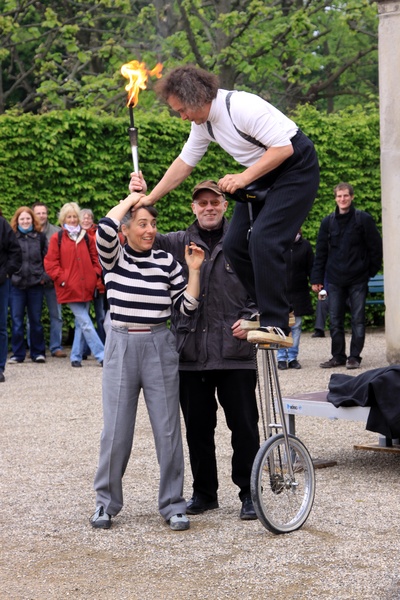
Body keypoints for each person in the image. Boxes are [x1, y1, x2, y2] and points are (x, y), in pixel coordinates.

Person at [128, 65, 320, 349]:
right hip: (262, 171)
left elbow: (284, 149)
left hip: (295, 168)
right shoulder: (202, 124)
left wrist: (243, 177)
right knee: (234, 244)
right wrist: (150, 198)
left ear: (196, 98)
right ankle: (272, 309)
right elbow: (184, 163)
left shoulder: (241, 107)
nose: (182, 117)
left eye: (182, 110)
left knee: (265, 238)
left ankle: (277, 324)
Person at [91, 194, 204, 532]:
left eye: (153, 224)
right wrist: (132, 198)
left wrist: (194, 272)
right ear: (125, 230)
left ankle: (173, 504)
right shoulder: (114, 258)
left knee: (168, 428)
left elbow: (187, 308)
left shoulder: (167, 262)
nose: (150, 229)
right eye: (143, 223)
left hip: (159, 343)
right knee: (116, 431)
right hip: (121, 344)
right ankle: (105, 504)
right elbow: (105, 227)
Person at [152, 179, 260, 521]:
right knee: (197, 429)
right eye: (202, 203)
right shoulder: (174, 244)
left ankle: (249, 493)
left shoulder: (245, 240)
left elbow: (266, 286)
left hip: (236, 352)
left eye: (214, 202)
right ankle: (204, 493)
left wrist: (253, 321)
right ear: (193, 208)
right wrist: (140, 192)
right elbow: (137, 229)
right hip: (190, 354)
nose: (209, 207)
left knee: (244, 427)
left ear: (225, 205)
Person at [311, 182, 383, 369]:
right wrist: (317, 279)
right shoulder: (328, 222)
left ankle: (354, 357)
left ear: (351, 197)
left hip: (358, 279)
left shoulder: (363, 219)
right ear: (335, 198)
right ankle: (338, 356)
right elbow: (321, 253)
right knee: (335, 320)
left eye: (345, 196)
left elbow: (376, 248)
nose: (342, 199)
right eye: (339, 196)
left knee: (358, 320)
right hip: (335, 279)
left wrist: (369, 272)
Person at [44, 202, 104, 368]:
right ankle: (102, 355)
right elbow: (50, 263)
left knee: (80, 323)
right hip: (69, 287)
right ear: (64, 218)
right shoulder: (58, 238)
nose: (72, 219)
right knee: (85, 321)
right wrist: (63, 279)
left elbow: (95, 259)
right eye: (69, 216)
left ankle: (76, 356)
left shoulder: (85, 236)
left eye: (74, 216)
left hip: (86, 286)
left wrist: (94, 275)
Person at [9, 207, 48, 364]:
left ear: (33, 220)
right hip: (16, 285)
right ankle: (18, 354)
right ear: (17, 221)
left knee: (36, 321)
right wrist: (9, 275)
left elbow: (48, 258)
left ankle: (38, 353)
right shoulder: (11, 237)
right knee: (17, 321)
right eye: (22, 219)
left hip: (35, 284)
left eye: (28, 219)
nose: (25, 221)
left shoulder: (40, 237)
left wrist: (44, 277)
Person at [31, 202, 67, 358]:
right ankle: (33, 348)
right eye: (38, 213)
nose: (41, 216)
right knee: (32, 317)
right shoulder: (27, 231)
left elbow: (63, 258)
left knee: (56, 316)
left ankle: (55, 347)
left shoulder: (57, 232)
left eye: (43, 213)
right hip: (34, 282)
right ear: (33, 215)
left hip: (53, 282)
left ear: (47, 214)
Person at [277, 230, 314, 370]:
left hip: (299, 292)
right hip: (281, 292)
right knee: (281, 326)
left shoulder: (305, 246)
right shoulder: (278, 244)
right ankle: (281, 358)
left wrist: (316, 283)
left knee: (296, 326)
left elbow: (312, 266)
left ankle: (292, 357)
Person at [0, 209, 23, 381]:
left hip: (1, 283)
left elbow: (15, 251)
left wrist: (6, 272)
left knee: (0, 327)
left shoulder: (2, 225)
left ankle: (0, 367)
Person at [80, 208, 106, 349]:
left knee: (100, 317)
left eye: (88, 218)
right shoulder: (75, 235)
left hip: (98, 282)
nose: (86, 220)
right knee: (83, 318)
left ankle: (103, 346)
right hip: (83, 283)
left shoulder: (98, 233)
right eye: (83, 218)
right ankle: (84, 350)